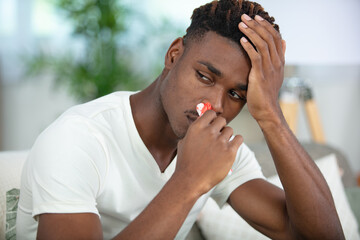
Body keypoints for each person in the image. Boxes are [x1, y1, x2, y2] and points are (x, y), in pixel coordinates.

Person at [17, 0, 345, 239]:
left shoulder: (218, 147)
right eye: (204, 76)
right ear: (174, 55)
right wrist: (189, 181)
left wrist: (270, 115)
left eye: (236, 95)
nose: (214, 105)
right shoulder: (78, 139)